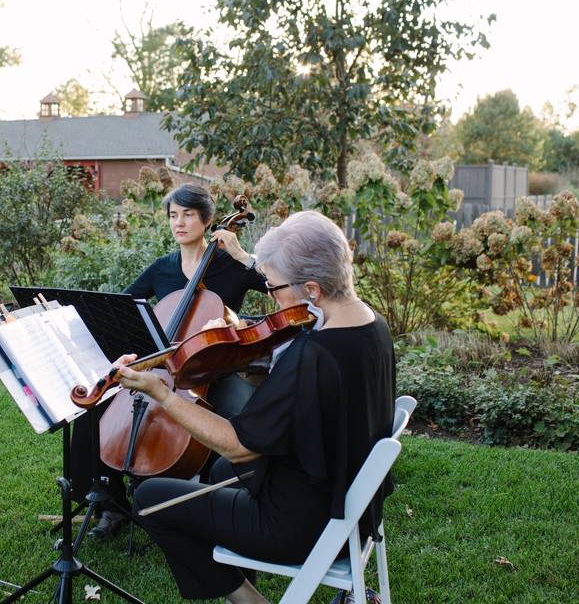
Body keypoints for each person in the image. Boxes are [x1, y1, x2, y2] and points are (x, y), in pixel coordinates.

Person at [113, 210, 394, 603]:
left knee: (150, 499)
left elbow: (236, 443)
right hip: (349, 502)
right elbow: (302, 408)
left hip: (299, 524)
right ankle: (238, 555)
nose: (272, 297)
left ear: (312, 289)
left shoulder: (313, 355)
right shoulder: (370, 326)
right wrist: (239, 359)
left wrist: (161, 393)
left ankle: (250, 600)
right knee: (225, 472)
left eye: (274, 287)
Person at [71, 183, 267, 539]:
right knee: (94, 412)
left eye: (188, 215)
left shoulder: (230, 265)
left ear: (208, 220)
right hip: (164, 369)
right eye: (173, 215)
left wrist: (243, 256)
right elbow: (124, 306)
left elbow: (279, 286)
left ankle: (221, 503)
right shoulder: (163, 268)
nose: (179, 223)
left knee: (244, 420)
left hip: (215, 371)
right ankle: (111, 506)